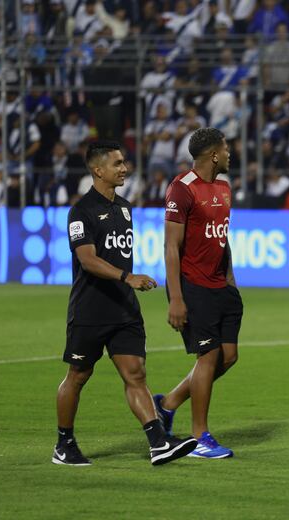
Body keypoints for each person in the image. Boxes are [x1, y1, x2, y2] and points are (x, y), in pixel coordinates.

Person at [54, 141, 197, 467]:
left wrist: (126, 283)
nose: (124, 168)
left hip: (124, 309)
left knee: (136, 374)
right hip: (91, 309)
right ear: (97, 169)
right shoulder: (81, 211)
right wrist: (127, 277)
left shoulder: (124, 208)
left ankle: (158, 443)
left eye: (124, 162)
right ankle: (64, 444)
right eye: (117, 163)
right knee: (78, 375)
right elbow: (87, 260)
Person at [154, 128, 243, 459]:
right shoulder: (182, 188)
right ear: (214, 155)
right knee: (207, 357)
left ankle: (168, 403)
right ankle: (199, 437)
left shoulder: (223, 187)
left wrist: (231, 280)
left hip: (221, 286)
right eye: (226, 148)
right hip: (193, 285)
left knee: (228, 356)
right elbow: (171, 246)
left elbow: (222, 237)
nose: (230, 153)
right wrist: (176, 298)